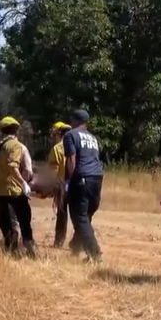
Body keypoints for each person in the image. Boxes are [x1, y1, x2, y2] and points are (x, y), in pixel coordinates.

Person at [0, 116, 37, 257]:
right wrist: (25, 182)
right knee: (24, 219)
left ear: (2, 131)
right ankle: (29, 246)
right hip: (14, 191)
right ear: (17, 131)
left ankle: (11, 250)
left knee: (5, 220)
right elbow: (27, 170)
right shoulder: (18, 146)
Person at [63, 109, 104, 262]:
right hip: (97, 179)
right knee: (85, 216)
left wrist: (68, 181)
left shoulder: (70, 135)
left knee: (79, 218)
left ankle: (95, 254)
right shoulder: (93, 138)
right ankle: (76, 247)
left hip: (82, 178)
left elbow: (71, 160)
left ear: (74, 120)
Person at [47, 122, 72, 248]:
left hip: (62, 186)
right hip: (78, 184)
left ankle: (59, 241)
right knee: (79, 215)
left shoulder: (57, 149)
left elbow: (53, 172)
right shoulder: (75, 146)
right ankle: (79, 241)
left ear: (58, 133)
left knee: (62, 214)